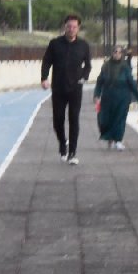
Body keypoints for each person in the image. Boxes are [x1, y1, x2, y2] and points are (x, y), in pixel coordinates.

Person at [41, 14, 92, 165]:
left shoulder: (83, 45)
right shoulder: (55, 44)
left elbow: (88, 65)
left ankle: (72, 153)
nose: (71, 29)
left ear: (78, 28)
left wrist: (84, 77)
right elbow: (46, 62)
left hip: (75, 88)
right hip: (58, 88)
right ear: (65, 27)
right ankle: (63, 143)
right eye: (69, 26)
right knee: (58, 120)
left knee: (74, 119)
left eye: (74, 27)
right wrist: (44, 78)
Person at [94, 45, 138, 150]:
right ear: (112, 53)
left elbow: (131, 83)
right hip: (108, 97)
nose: (117, 54)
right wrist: (97, 95)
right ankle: (109, 138)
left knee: (119, 119)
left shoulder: (125, 67)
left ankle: (118, 140)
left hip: (122, 97)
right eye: (115, 52)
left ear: (122, 54)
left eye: (120, 52)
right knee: (105, 119)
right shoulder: (106, 66)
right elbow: (100, 81)